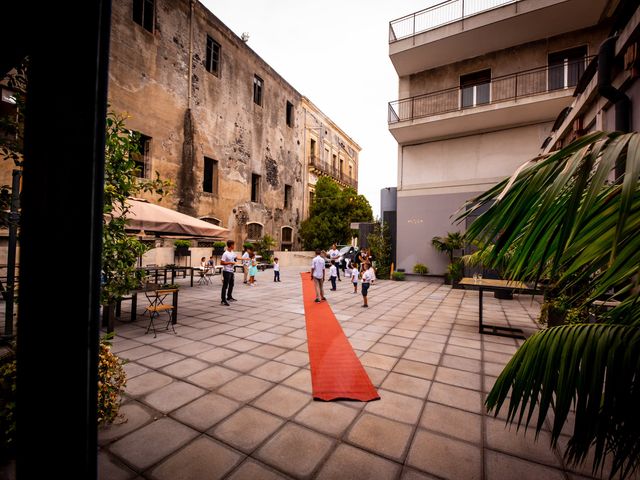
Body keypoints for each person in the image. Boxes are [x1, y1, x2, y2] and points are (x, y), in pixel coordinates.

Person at [220, 240, 238, 306]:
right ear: (231, 245)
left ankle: (229, 297)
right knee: (225, 286)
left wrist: (246, 259)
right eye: (233, 244)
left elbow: (236, 257)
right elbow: (221, 262)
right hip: (226, 271)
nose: (234, 246)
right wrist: (230, 262)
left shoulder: (232, 252)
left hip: (231, 271)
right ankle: (223, 300)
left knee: (231, 284)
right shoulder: (225, 253)